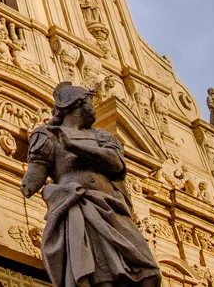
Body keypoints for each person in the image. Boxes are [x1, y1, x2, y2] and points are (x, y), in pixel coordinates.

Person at [22, 82, 161, 287]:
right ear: (77, 103)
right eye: (90, 102)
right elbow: (32, 180)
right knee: (99, 274)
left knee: (147, 271)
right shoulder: (48, 137)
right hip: (79, 207)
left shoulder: (101, 136)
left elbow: (116, 163)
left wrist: (73, 145)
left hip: (112, 210)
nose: (93, 107)